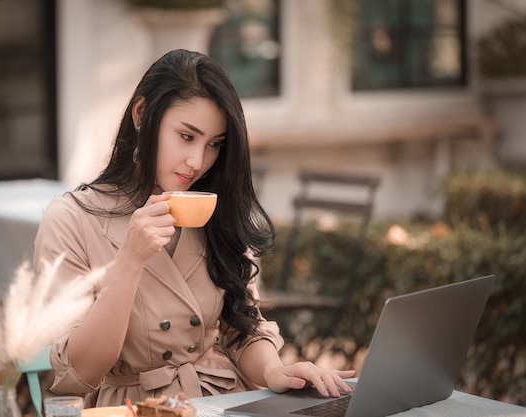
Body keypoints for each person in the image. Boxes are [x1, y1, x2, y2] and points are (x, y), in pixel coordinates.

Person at [34, 49, 354, 408]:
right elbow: (79, 373)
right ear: (142, 114)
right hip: (135, 409)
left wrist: (273, 371)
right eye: (187, 136)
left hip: (224, 400)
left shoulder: (211, 207)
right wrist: (129, 261)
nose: (198, 162)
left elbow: (242, 325)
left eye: (214, 144)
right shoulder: (71, 220)